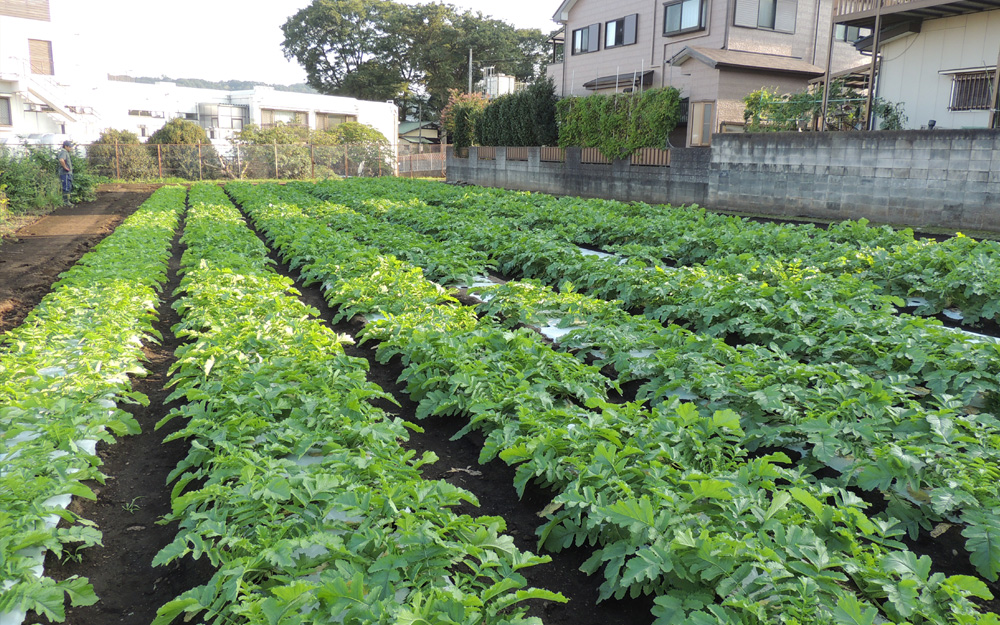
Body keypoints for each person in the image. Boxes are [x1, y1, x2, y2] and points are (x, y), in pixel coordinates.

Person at [57, 139, 74, 205]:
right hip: (65, 173)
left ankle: (67, 201)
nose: (70, 148)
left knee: (68, 186)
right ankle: (66, 201)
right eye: (69, 147)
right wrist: (65, 167)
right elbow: (61, 160)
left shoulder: (65, 152)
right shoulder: (63, 152)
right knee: (66, 187)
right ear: (66, 146)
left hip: (67, 173)